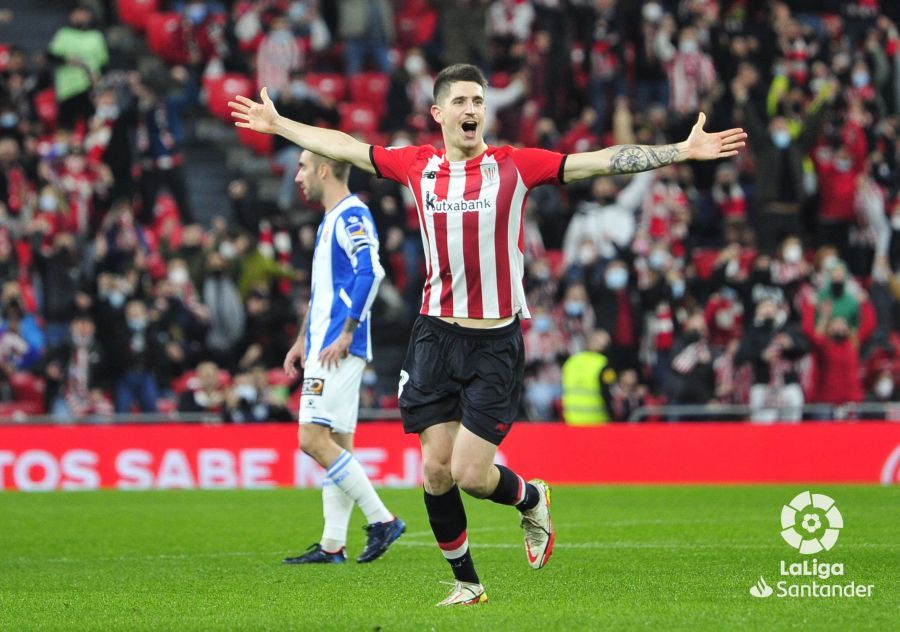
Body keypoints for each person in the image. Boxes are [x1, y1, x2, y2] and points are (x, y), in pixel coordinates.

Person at [230, 63, 745, 605]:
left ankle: (530, 500)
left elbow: (597, 163)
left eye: (479, 100)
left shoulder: (514, 166)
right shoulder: (418, 165)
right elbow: (345, 144)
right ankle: (467, 583)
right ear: (439, 113)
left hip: (494, 342)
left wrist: (677, 152)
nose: (472, 109)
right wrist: (280, 123)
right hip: (433, 337)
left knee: (472, 475)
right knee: (434, 469)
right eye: (461, 101)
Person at [281, 149, 404, 566]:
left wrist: (347, 332)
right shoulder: (332, 218)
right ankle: (333, 544)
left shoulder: (352, 214)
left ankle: (382, 520)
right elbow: (322, 293)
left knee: (311, 439)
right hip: (323, 342)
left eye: (302, 167)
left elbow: (372, 271)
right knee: (337, 444)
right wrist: (302, 338)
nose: (297, 176)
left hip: (337, 347)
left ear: (323, 169)